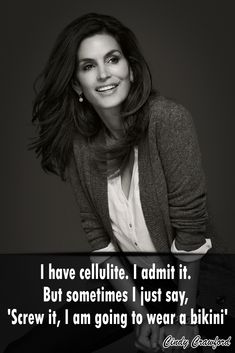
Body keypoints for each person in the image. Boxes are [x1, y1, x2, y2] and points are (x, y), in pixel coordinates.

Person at [6, 13, 213, 353]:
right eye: (88, 66)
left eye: (112, 59)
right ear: (77, 85)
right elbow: (100, 240)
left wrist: (183, 320)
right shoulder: (81, 147)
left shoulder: (168, 120)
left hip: (198, 284)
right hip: (136, 285)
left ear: (130, 70)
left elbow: (191, 232)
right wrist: (142, 316)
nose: (103, 74)